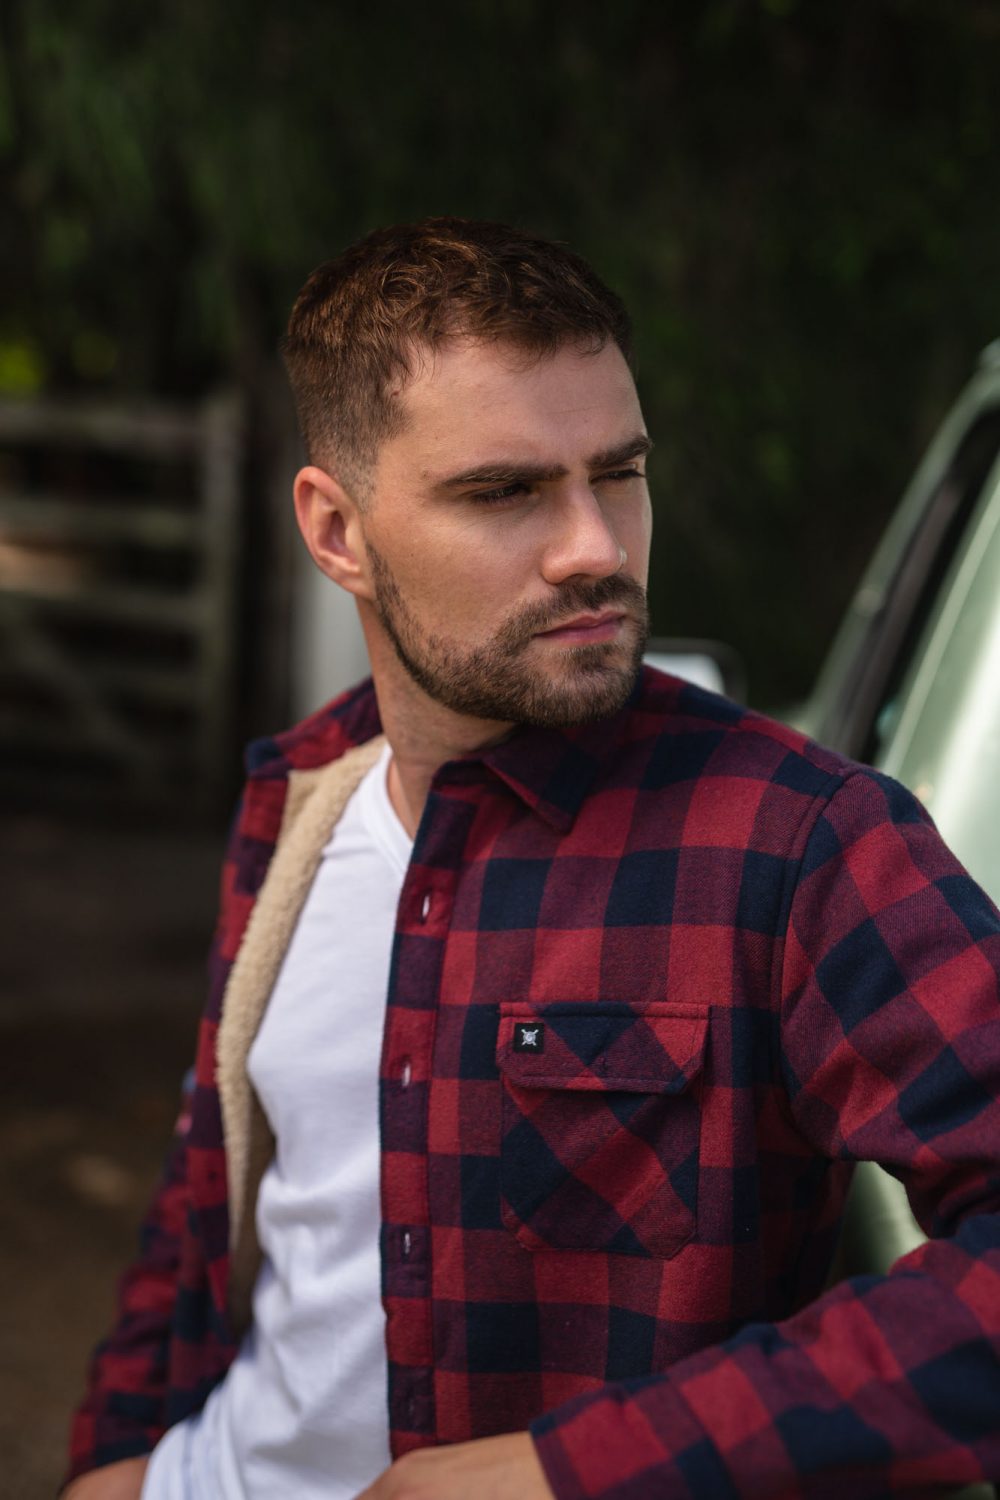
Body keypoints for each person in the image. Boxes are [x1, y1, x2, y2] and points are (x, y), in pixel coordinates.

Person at [64, 218, 1000, 1500]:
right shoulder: (298, 801)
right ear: (338, 531)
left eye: (619, 473)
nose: (595, 548)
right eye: (505, 492)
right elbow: (205, 1204)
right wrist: (116, 1459)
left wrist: (571, 1472)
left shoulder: (797, 843)